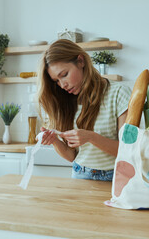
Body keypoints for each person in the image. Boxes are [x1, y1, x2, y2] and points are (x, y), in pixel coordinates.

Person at [37, 39, 131, 181]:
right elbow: (72, 156)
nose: (62, 85)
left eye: (64, 75)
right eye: (56, 80)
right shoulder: (66, 101)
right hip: (80, 175)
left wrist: (91, 137)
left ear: (80, 61)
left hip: (116, 177)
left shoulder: (119, 93)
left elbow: (128, 150)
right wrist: (55, 141)